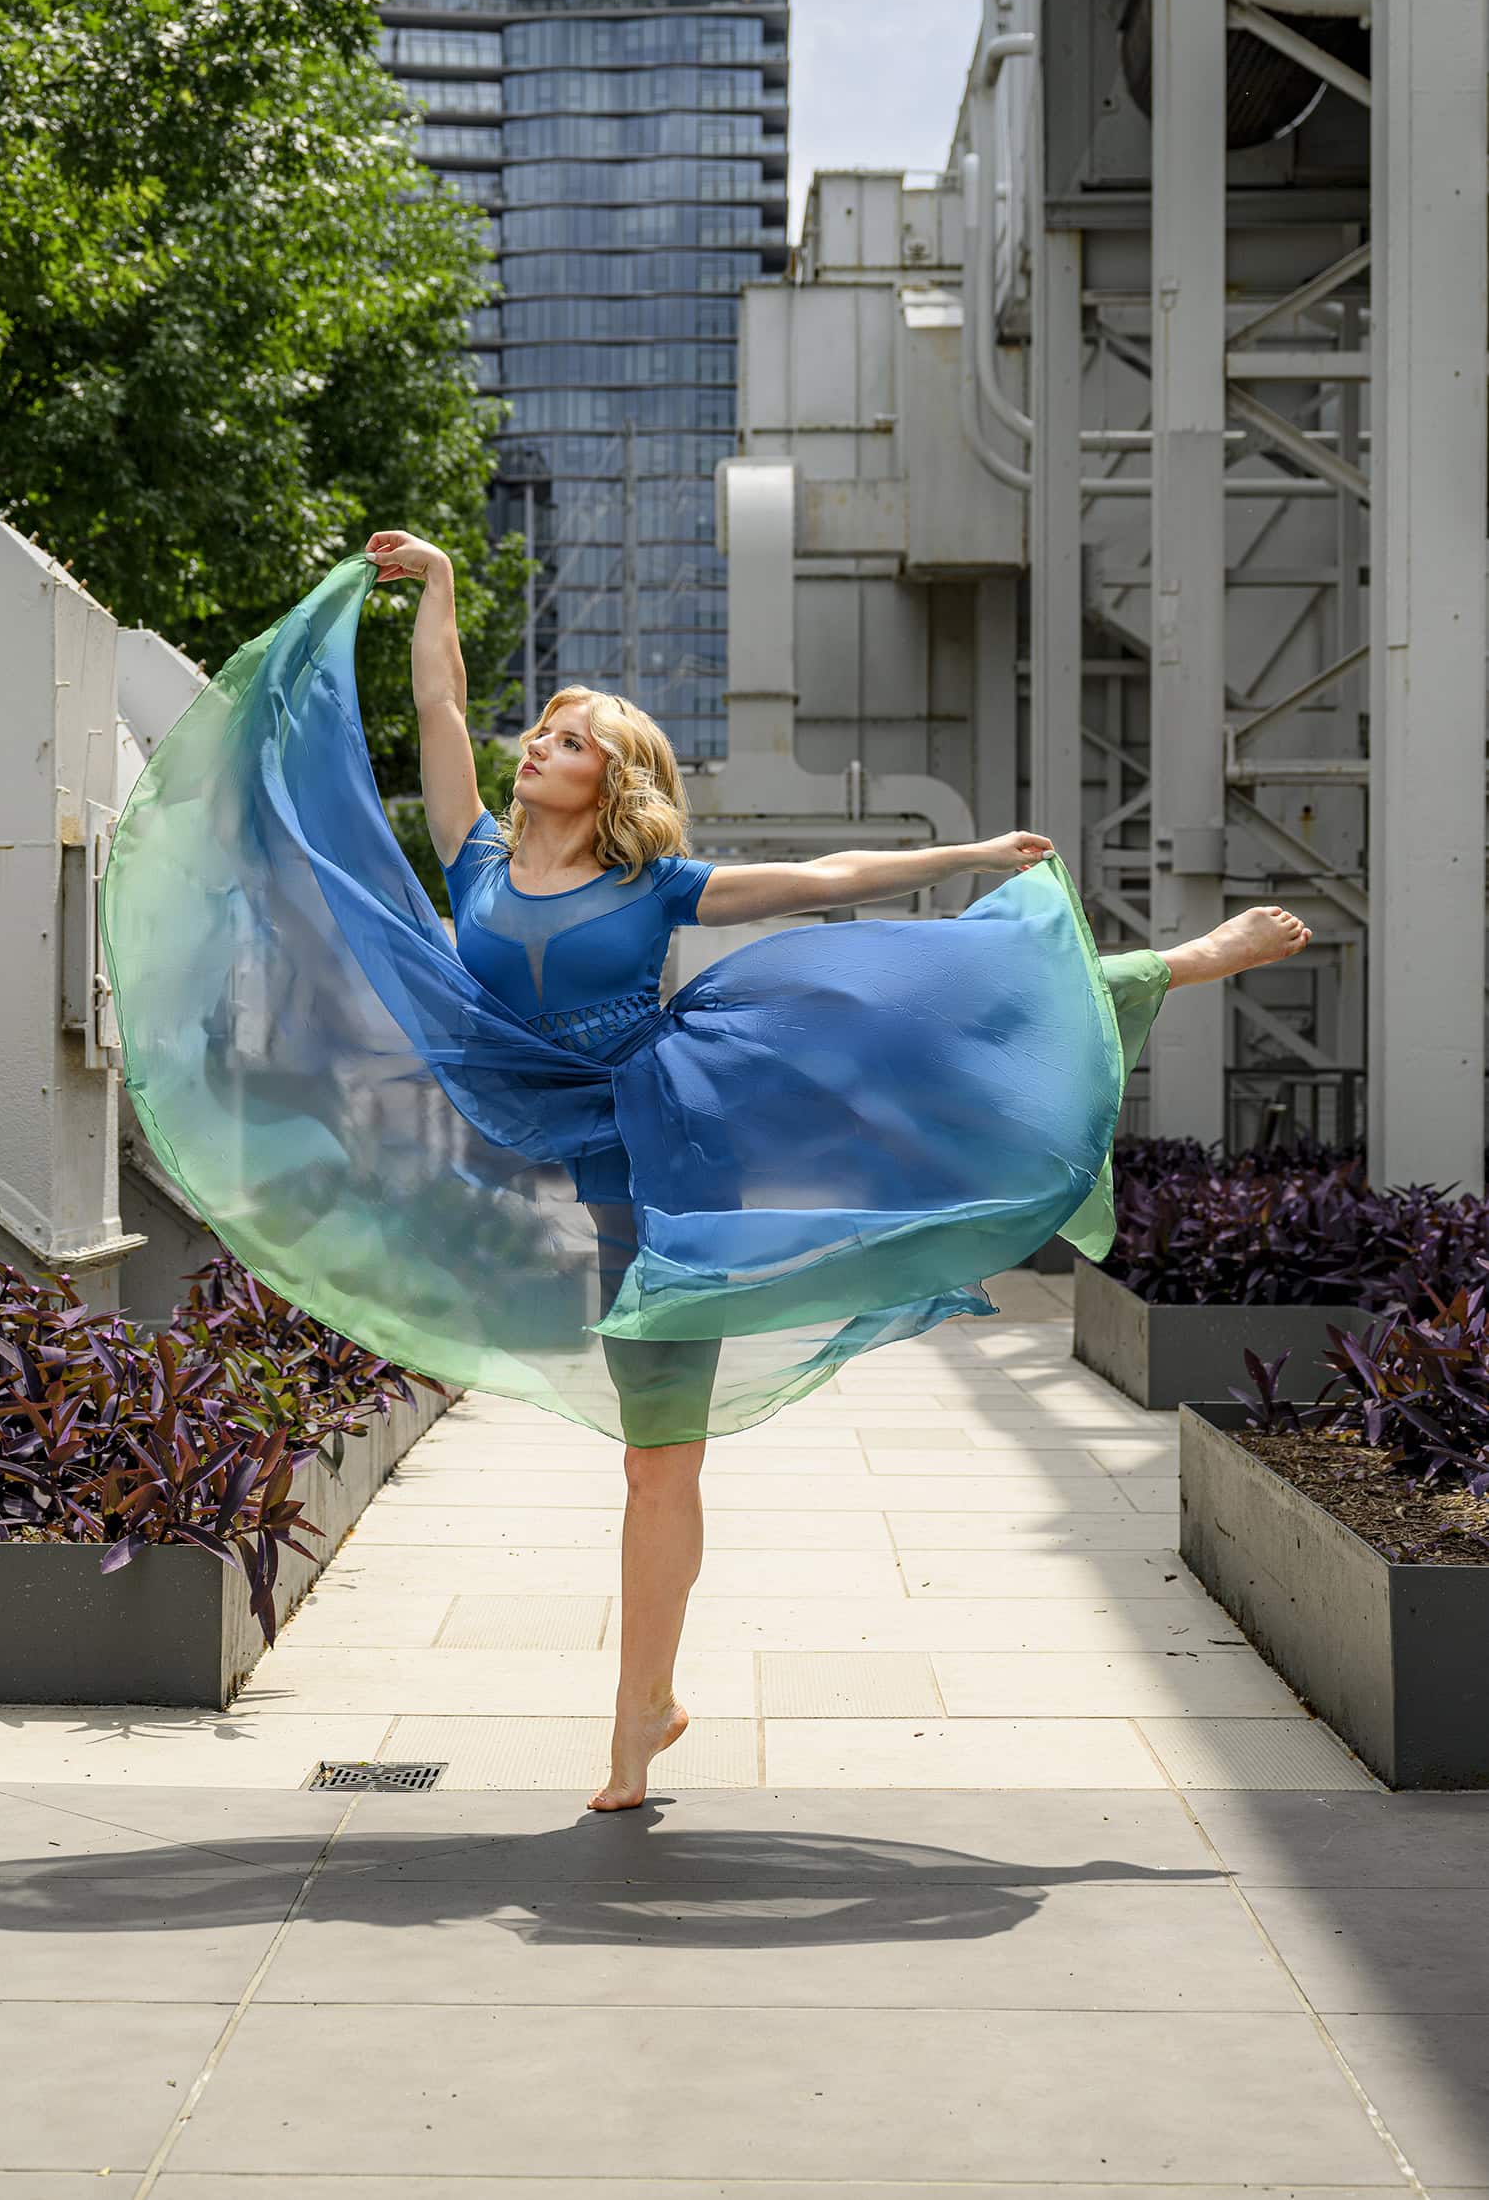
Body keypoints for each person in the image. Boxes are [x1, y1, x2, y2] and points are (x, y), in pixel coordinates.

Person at [367, 526, 1314, 1811]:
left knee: (666, 1445)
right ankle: (649, 1698)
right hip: (525, 1144)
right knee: (625, 1428)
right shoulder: (473, 856)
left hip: (669, 1146)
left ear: (613, 781)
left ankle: (638, 1708)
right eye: (540, 728)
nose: (537, 744)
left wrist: (969, 859)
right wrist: (436, 584)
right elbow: (439, 700)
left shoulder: (658, 886)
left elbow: (829, 877)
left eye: (572, 738)